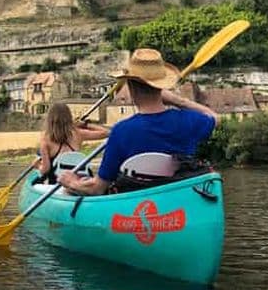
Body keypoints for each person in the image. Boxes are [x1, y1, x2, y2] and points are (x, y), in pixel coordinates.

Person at [58, 48, 218, 195]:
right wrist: (178, 101)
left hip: (137, 207)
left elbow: (98, 188)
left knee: (70, 191)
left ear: (131, 88)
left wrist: (72, 182)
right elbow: (214, 118)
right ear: (161, 87)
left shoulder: (121, 132)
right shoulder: (188, 121)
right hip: (179, 202)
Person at [36, 102, 110, 184]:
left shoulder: (45, 140)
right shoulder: (78, 134)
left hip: (56, 185)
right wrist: (86, 125)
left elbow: (45, 170)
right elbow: (107, 132)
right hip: (78, 181)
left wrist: (38, 166)